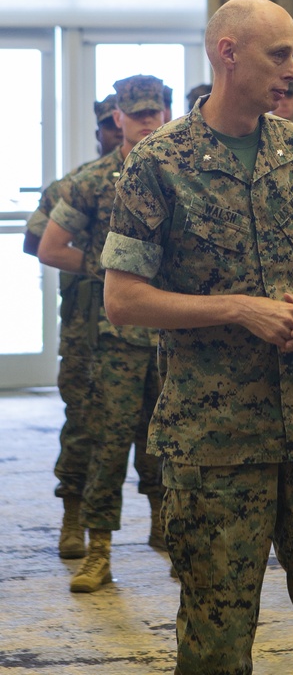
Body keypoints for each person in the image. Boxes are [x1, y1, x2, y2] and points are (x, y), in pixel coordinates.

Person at [101, 0, 293, 672]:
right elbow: (123, 300)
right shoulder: (159, 162)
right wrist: (238, 308)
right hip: (216, 442)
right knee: (218, 647)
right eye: (278, 54)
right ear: (228, 53)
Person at [39, 76, 167, 593]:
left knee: (170, 444)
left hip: (171, 334)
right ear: (117, 118)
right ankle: (99, 552)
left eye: (153, 112)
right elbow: (49, 247)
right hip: (114, 337)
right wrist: (110, 273)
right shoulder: (91, 181)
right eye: (135, 114)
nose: (145, 122)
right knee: (106, 443)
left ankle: (174, 536)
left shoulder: (184, 172)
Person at [23, 94, 121, 561]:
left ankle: (161, 522)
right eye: (109, 125)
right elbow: (36, 240)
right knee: (83, 421)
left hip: (138, 327)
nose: (118, 134)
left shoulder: (157, 178)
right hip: (84, 323)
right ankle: (72, 517)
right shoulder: (74, 185)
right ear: (101, 128)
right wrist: (97, 261)